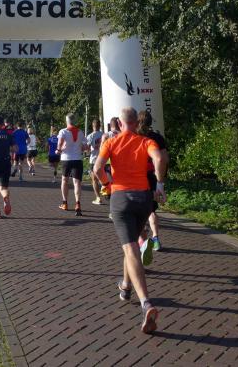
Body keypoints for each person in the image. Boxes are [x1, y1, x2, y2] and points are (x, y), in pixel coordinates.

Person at [94, 108, 166, 335]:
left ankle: (146, 303)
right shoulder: (146, 142)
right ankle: (125, 287)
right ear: (136, 122)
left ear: (120, 122)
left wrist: (107, 184)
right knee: (132, 245)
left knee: (131, 249)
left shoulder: (111, 142)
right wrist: (160, 185)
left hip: (121, 199)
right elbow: (159, 158)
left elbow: (97, 168)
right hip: (143, 199)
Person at [139, 112, 169, 252]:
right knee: (151, 210)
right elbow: (164, 159)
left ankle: (142, 241)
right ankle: (156, 238)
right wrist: (160, 182)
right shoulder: (157, 138)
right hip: (152, 177)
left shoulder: (136, 137)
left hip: (138, 177)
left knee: (138, 211)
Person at [58, 114, 88, 216]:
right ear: (74, 121)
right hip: (78, 159)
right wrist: (80, 148)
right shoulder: (80, 132)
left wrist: (59, 150)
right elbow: (86, 147)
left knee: (64, 180)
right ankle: (78, 204)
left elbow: (60, 144)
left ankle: (65, 203)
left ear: (67, 121)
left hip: (66, 159)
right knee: (77, 183)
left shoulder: (63, 131)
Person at [86, 119, 105, 205]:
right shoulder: (104, 135)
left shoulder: (90, 136)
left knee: (94, 179)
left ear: (93, 126)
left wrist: (87, 150)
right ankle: (105, 188)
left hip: (93, 159)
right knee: (103, 177)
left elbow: (87, 148)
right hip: (103, 159)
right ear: (100, 126)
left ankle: (98, 198)